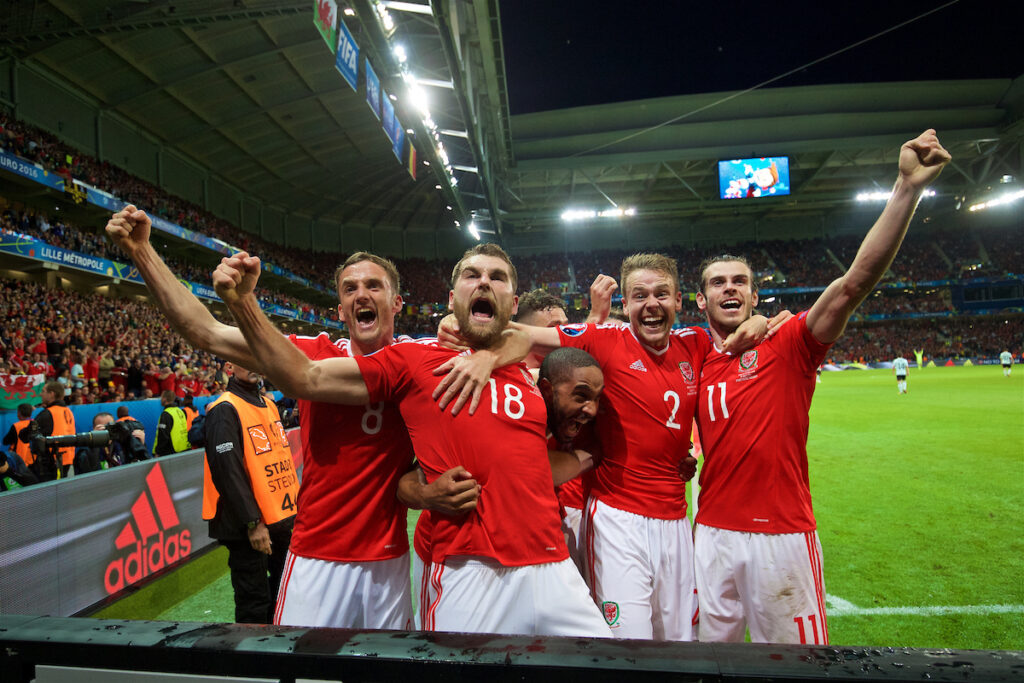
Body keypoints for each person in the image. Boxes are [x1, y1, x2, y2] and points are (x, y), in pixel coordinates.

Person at [105, 206, 481, 630]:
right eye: (350, 288)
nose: (362, 294)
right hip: (316, 555)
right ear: (340, 309)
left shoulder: (420, 361)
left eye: (374, 286)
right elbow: (205, 332)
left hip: (386, 561)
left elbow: (500, 335)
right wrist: (142, 252)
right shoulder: (312, 353)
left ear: (396, 303)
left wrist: (462, 325)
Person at [212, 243, 611, 638]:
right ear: (451, 300)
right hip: (460, 562)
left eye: (497, 277)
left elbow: (551, 350)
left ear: (513, 299)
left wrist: (492, 357)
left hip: (549, 560)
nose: (485, 282)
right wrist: (426, 494)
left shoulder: (537, 372)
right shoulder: (422, 361)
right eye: (473, 275)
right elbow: (401, 475)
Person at [691, 129, 950, 645]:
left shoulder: (789, 342)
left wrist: (906, 190)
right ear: (700, 301)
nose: (729, 289)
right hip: (710, 534)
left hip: (781, 535)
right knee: (703, 663)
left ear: (754, 294)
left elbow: (853, 283)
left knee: (799, 668)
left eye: (739, 281)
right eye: (718, 283)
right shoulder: (694, 357)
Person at [507, 258, 769, 641]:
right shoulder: (603, 340)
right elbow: (522, 335)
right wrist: (457, 327)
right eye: (639, 295)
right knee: (627, 644)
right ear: (625, 306)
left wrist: (762, 320)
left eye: (662, 294)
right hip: (618, 520)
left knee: (678, 643)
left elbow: (739, 333)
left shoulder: (694, 345)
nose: (651, 303)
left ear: (678, 300)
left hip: (677, 522)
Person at [202, 360, 297, 623]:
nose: (254, 363)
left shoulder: (268, 404)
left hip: (278, 519)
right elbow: (227, 472)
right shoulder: (224, 409)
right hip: (248, 526)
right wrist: (253, 523)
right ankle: (255, 661)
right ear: (230, 366)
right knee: (254, 602)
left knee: (284, 593)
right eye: (244, 358)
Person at [19, 381, 76, 480]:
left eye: (43, 391)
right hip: (66, 461)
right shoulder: (68, 411)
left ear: (52, 394)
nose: (41, 394)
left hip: (50, 465)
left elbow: (24, 436)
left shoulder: (48, 413)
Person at [153, 390, 190, 456]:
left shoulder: (166, 414)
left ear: (164, 398)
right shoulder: (180, 411)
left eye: (161, 398)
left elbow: (163, 435)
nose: (160, 400)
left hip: (170, 452)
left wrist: (158, 452)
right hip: (183, 448)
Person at [2, 403, 35, 477]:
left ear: (19, 413)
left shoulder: (16, 426)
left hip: (19, 460)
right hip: (33, 460)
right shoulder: (35, 424)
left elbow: (6, 441)